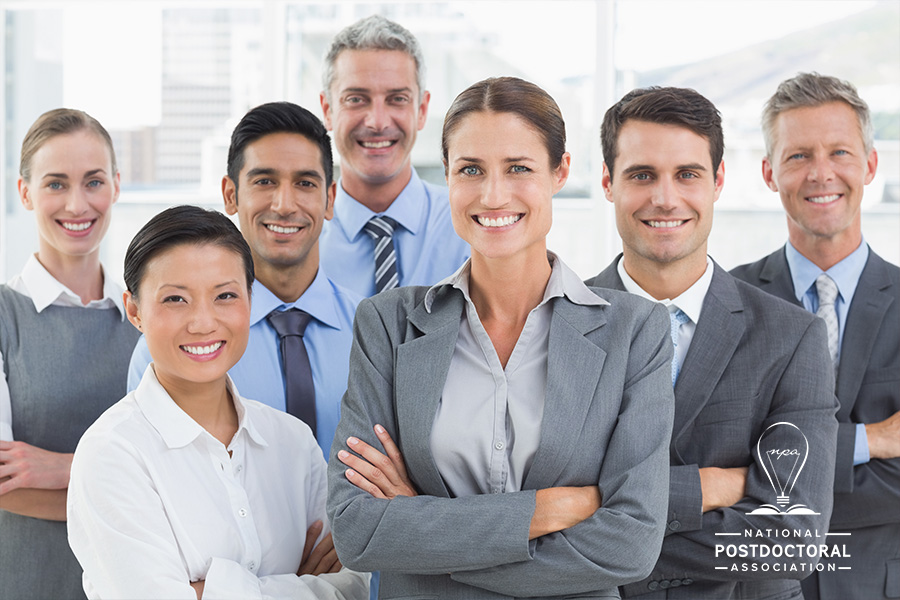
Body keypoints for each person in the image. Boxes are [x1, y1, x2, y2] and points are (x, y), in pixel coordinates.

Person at [327, 76, 675, 598]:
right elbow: (358, 530)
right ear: (446, 175)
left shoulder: (635, 331)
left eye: (518, 168)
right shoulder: (388, 324)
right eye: (471, 169)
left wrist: (426, 528)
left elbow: (632, 543)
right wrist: (541, 512)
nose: (493, 195)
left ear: (559, 172)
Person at [585, 86, 839, 599]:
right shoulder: (555, 322)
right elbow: (520, 504)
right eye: (641, 175)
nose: (665, 198)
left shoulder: (791, 337)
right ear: (609, 183)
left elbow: (792, 542)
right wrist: (714, 486)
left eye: (687, 174)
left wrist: (591, 515)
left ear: (718, 181)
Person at [67, 205, 369, 599]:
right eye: (175, 299)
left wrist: (209, 591)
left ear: (250, 297)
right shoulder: (112, 452)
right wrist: (299, 587)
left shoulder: (292, 441)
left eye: (225, 295)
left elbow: (353, 585)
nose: (203, 322)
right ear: (135, 311)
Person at [731, 73, 900, 600]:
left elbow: (734, 476)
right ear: (768, 172)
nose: (820, 174)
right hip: (751, 585)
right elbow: (704, 457)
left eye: (840, 153)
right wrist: (868, 442)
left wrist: (755, 484)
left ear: (870, 165)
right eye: (798, 155)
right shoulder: (724, 300)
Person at [128, 102, 360, 458]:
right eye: (265, 181)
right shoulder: (172, 346)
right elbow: (153, 469)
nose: (284, 204)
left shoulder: (373, 335)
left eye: (305, 183)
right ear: (230, 195)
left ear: (330, 199)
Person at [0, 108, 140, 599]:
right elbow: (5, 487)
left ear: (117, 186)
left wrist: (65, 467)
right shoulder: (3, 316)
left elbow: (175, 475)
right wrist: (126, 489)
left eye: (93, 181)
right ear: (25, 193)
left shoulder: (144, 323)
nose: (77, 204)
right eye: (56, 184)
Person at [318, 14, 469, 297]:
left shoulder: (468, 226)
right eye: (356, 99)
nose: (377, 121)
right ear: (327, 110)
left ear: (422, 110)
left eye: (397, 99)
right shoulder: (300, 239)